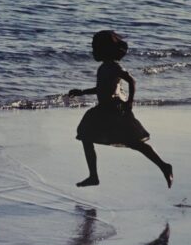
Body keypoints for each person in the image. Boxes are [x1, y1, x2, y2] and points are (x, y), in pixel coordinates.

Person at [68, 30, 173, 188]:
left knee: (134, 143)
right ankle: (93, 176)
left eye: (95, 48)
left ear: (104, 50)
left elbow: (132, 81)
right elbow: (101, 88)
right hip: (103, 110)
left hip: (115, 111)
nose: (93, 51)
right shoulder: (103, 68)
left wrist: (130, 102)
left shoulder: (114, 67)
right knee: (86, 136)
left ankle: (164, 166)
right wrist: (81, 92)